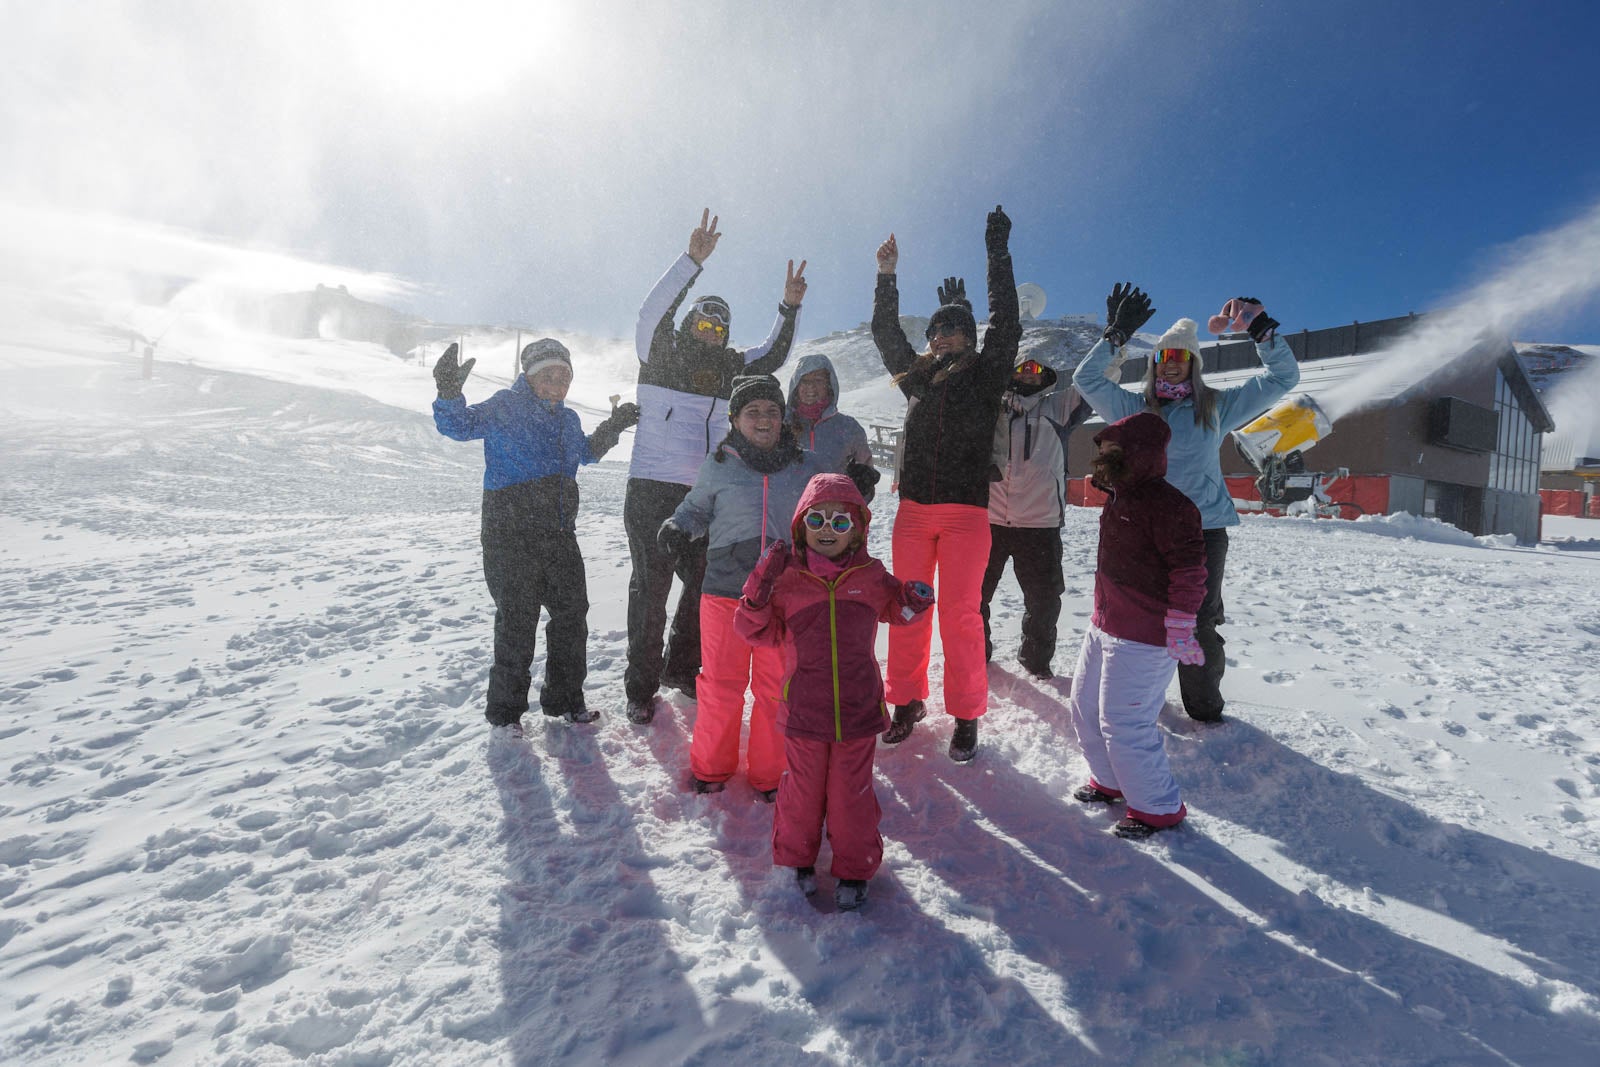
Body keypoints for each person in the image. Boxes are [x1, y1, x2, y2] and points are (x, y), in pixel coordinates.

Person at [1073, 288, 1299, 722]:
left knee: (1197, 622)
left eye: (1181, 356)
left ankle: (1203, 710)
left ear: (1194, 364)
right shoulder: (1136, 409)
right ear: (1155, 363)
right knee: (1140, 617)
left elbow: (1281, 380)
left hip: (1203, 531)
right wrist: (1116, 336)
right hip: (1142, 532)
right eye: (1164, 356)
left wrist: (1260, 330)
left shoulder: (1214, 408)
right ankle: (1142, 701)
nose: (1172, 361)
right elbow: (1087, 381)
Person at [625, 209, 808, 725]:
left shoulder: (731, 368)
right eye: (703, 321)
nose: (711, 330)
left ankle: (681, 669)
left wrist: (788, 307)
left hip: (706, 495)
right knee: (651, 588)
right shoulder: (660, 352)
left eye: (719, 324)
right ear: (690, 324)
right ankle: (640, 687)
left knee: (704, 587)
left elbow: (771, 354)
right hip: (651, 489)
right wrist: (691, 263)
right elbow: (648, 315)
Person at [734, 473, 934, 910]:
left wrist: (913, 601)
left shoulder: (871, 575)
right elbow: (753, 631)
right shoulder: (786, 582)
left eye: (840, 523)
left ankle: (855, 866)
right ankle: (795, 861)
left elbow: (896, 611)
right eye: (817, 520)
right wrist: (758, 588)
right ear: (801, 527)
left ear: (858, 529)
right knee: (802, 792)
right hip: (804, 710)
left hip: (858, 710)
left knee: (851, 793)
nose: (828, 529)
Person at [871, 206, 1020, 762]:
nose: (943, 335)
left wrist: (996, 253)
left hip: (965, 516)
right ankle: (906, 701)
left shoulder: (986, 377)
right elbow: (885, 331)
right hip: (913, 512)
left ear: (970, 336)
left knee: (960, 617)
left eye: (954, 328)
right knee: (909, 609)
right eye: (936, 329)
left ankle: (965, 715)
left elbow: (1008, 322)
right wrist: (887, 276)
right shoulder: (917, 382)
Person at [432, 339, 639, 729]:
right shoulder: (504, 406)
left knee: (571, 617)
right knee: (517, 621)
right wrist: (448, 391)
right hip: (509, 534)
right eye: (549, 374)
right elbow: (456, 426)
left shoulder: (568, 419)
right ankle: (506, 715)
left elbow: (587, 452)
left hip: (560, 533)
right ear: (529, 375)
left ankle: (564, 700)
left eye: (565, 375)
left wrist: (615, 424)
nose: (558, 382)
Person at [658, 374, 826, 797]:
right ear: (734, 419)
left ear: (782, 417)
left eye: (772, 410)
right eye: (753, 412)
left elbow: (828, 511)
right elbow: (695, 508)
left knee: (775, 687)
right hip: (723, 592)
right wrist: (678, 527)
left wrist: (855, 486)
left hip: (783, 597)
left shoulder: (805, 466)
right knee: (721, 684)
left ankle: (770, 774)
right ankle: (712, 768)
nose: (764, 419)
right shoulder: (719, 465)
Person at [1067, 411, 1208, 838]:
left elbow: (1189, 570)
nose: (1104, 459)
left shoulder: (1171, 506)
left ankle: (1158, 807)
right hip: (1105, 624)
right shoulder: (1119, 497)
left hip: (1144, 636)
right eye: (1104, 451)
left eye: (1114, 451)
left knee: (1125, 722)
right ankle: (1110, 781)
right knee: (1084, 706)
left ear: (1141, 455)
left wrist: (1182, 624)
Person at [980, 349, 1091, 679]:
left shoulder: (1058, 407)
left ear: (1046, 375)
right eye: (1021, 367)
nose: (1028, 373)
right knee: (973, 596)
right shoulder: (989, 408)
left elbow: (1093, 382)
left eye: (1036, 368)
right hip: (989, 521)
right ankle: (975, 652)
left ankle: (1035, 658)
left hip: (1039, 524)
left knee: (1043, 600)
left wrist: (1114, 340)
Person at [785, 353, 880, 501]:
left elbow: (866, 478)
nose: (810, 387)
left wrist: (860, 490)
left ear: (829, 385)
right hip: (785, 515)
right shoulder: (780, 424)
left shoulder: (849, 428)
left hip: (831, 516)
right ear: (796, 385)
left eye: (818, 380)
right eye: (804, 380)